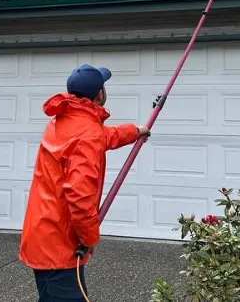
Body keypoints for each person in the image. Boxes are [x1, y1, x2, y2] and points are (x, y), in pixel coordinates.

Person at [19, 64, 151, 301]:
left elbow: (102, 136)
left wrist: (135, 131)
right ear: (99, 93)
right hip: (58, 244)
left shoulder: (64, 120)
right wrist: (90, 238)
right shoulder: (87, 133)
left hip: (45, 234)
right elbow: (79, 198)